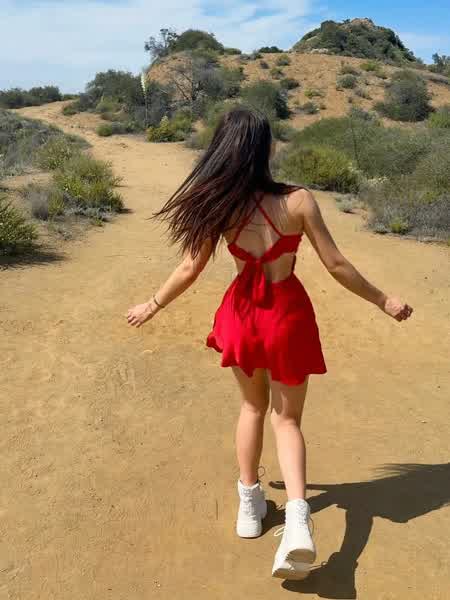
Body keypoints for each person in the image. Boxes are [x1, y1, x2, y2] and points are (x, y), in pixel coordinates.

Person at [126, 107, 413, 580]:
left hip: (240, 317)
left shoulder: (217, 201)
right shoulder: (298, 201)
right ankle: (298, 523)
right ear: (266, 148)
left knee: (252, 408)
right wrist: (384, 300)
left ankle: (249, 506)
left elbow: (190, 268)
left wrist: (152, 305)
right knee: (288, 420)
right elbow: (337, 265)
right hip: (286, 317)